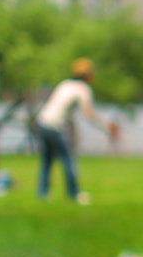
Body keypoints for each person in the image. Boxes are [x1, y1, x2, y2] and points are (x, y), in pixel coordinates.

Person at [36, 58, 119, 204]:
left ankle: (43, 193)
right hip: (54, 126)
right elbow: (89, 115)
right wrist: (107, 126)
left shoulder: (65, 84)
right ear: (87, 75)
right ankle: (74, 193)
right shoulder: (83, 89)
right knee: (68, 159)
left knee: (48, 160)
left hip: (42, 122)